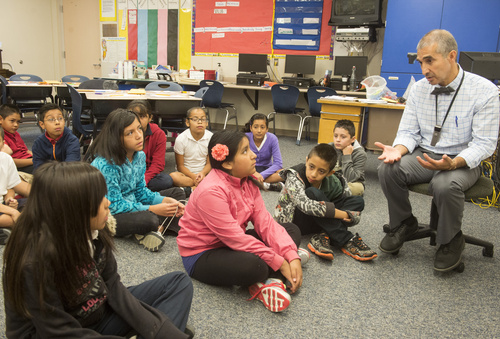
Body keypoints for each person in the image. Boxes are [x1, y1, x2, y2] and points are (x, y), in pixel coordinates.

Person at [3, 161, 193, 338]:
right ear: (73, 209)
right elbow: (58, 332)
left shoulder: (95, 230)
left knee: (178, 283)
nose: (107, 203)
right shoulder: (34, 260)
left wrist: (159, 330)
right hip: (58, 332)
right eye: (98, 198)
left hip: (94, 311)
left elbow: (113, 287)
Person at [375, 29, 500, 271]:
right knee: (387, 169)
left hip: (463, 159)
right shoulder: (420, 89)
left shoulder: (484, 91)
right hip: (424, 152)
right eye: (421, 62)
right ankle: (404, 223)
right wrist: (399, 150)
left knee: (445, 184)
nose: (423, 70)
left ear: (451, 56)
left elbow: (484, 143)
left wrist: (454, 164)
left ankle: (450, 240)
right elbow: (409, 132)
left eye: (430, 61)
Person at [176, 129, 303, 313]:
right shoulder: (211, 191)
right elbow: (235, 239)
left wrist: (291, 256)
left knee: (291, 230)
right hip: (203, 254)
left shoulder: (248, 180)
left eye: (250, 149)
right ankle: (266, 280)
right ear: (227, 163)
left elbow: (265, 223)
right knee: (255, 266)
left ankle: (273, 279)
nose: (253, 155)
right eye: (245, 151)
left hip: (232, 243)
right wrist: (281, 261)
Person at [86, 109, 186, 252]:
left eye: (139, 128)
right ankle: (154, 226)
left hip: (133, 204)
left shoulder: (139, 156)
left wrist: (162, 200)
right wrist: (152, 209)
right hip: (109, 214)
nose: (139, 135)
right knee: (149, 219)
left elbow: (140, 192)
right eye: (130, 133)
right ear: (116, 137)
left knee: (177, 194)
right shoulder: (106, 163)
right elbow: (114, 206)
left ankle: (156, 229)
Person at [274, 143, 377, 262]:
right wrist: (345, 215)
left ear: (329, 173)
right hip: (297, 222)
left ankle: (322, 236)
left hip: (320, 221)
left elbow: (353, 211)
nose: (313, 174)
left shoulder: (336, 181)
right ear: (306, 161)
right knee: (312, 193)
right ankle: (346, 240)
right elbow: (306, 206)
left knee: (358, 200)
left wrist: (352, 217)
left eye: (321, 171)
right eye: (311, 166)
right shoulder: (295, 174)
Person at [127, 100, 174, 192]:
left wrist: (144, 180)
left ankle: (134, 190)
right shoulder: (124, 131)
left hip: (147, 173)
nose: (137, 120)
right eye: (134, 116)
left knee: (166, 180)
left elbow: (158, 164)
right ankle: (137, 190)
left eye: (142, 116)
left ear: (150, 118)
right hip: (127, 171)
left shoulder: (158, 134)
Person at [0, 126, 31, 244]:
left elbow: (10, 186)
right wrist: (12, 212)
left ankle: (8, 230)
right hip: (3, 211)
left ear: (3, 143)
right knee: (24, 219)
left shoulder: (6, 159)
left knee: (39, 207)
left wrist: (9, 199)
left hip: (3, 206)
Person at [170, 107, 213, 188]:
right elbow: (180, 166)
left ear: (207, 123)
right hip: (187, 175)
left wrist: (202, 173)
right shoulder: (181, 139)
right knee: (173, 177)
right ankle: (202, 185)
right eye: (195, 119)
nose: (200, 122)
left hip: (205, 173)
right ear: (187, 122)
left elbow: (209, 163)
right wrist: (193, 177)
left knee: (223, 174)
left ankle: (193, 187)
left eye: (203, 119)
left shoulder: (211, 137)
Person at [32, 103, 81, 170]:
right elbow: (38, 169)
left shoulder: (72, 140)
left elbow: (71, 168)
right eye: (51, 119)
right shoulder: (38, 143)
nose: (57, 122)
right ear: (42, 124)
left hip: (69, 178)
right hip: (46, 178)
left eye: (60, 118)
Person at [244, 113, 284, 192]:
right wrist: (254, 173)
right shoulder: (245, 138)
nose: (259, 131)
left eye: (262, 127)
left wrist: (261, 175)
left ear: (267, 129)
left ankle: (255, 182)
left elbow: (278, 163)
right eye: (255, 127)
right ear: (251, 128)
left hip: (266, 169)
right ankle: (266, 184)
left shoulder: (272, 138)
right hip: (250, 169)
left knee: (284, 173)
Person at [330, 119, 367, 196]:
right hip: (333, 180)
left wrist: (347, 156)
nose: (337, 140)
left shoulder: (360, 154)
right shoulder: (329, 147)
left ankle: (331, 193)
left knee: (357, 189)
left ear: (352, 139)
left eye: (343, 137)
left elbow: (351, 178)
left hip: (352, 182)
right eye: (335, 136)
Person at [0, 104, 34, 173]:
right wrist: (34, 160)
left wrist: (39, 155)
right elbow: (10, 161)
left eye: (18, 122)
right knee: (46, 171)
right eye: (12, 121)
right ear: (0, 119)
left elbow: (26, 151)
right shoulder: (1, 137)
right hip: (18, 166)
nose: (16, 125)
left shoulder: (15, 133)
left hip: (28, 160)